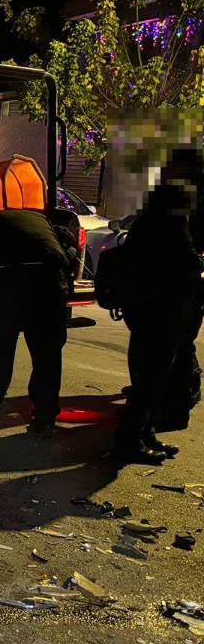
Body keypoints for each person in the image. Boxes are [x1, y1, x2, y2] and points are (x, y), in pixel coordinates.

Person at [0, 208, 74, 437]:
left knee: (0, 349)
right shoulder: (40, 220)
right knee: (47, 354)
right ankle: (45, 419)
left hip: (14, 283)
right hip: (53, 281)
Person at [112, 181, 203, 465]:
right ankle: (130, 442)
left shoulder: (144, 226)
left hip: (143, 311)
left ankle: (144, 434)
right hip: (163, 312)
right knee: (150, 381)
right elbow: (186, 267)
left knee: (146, 378)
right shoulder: (172, 228)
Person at [156, 148, 204, 431]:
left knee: (178, 342)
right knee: (181, 341)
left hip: (185, 280)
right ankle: (183, 392)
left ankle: (177, 404)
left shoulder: (187, 200)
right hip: (189, 278)